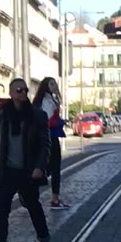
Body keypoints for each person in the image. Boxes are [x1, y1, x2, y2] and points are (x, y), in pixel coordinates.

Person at [0, 78, 51, 242]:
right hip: (7, 171)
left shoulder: (37, 115)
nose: (23, 93)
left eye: (25, 90)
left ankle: (44, 239)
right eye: (19, 90)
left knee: (33, 207)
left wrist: (40, 167)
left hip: (28, 171)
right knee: (0, 209)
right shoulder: (2, 115)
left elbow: (44, 145)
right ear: (11, 93)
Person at [33, 77, 69, 209]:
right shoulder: (47, 101)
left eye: (55, 84)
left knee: (50, 168)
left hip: (49, 136)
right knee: (52, 168)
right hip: (50, 136)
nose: (55, 86)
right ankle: (53, 198)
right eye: (52, 84)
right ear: (46, 86)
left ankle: (54, 197)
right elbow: (47, 119)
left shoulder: (48, 99)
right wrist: (57, 122)